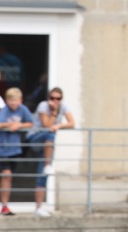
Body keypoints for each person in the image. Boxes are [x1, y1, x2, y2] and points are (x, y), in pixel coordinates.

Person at [28, 86, 76, 217]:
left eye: (58, 99)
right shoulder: (43, 106)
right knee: (50, 133)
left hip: (47, 145)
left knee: (42, 174)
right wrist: (54, 112)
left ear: (61, 99)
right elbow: (46, 125)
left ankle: (38, 208)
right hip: (35, 139)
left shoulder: (63, 106)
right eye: (52, 98)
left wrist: (59, 125)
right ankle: (48, 165)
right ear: (48, 98)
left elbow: (72, 123)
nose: (55, 101)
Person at [0, 88, 35, 216]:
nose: (13, 103)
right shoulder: (4, 111)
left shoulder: (23, 109)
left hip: (15, 149)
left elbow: (31, 123)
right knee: (6, 175)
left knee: (8, 178)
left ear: (20, 100)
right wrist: (8, 125)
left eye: (16, 100)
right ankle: (4, 206)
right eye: (11, 100)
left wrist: (19, 125)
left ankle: (5, 205)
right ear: (6, 100)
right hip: (2, 149)